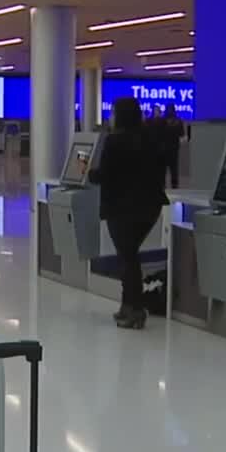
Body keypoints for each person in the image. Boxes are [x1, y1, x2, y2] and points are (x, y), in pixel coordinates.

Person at [89, 96, 169, 329]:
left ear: (120, 115)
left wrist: (89, 173)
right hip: (149, 207)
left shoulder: (114, 142)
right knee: (129, 255)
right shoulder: (151, 139)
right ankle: (128, 305)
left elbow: (106, 174)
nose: (111, 118)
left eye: (113, 113)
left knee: (128, 257)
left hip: (122, 208)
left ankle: (134, 309)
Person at [161, 103, 183, 188]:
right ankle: (175, 187)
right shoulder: (178, 121)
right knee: (174, 169)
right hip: (174, 149)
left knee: (163, 170)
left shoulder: (161, 121)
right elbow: (182, 134)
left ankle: (163, 188)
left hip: (163, 149)